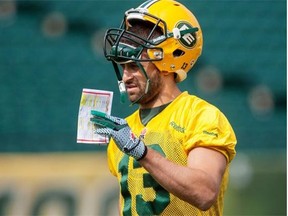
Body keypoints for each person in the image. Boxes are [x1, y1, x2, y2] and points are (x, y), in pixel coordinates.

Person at [91, 0, 237, 215]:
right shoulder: (125, 128)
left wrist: (140, 151)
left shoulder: (201, 116)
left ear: (168, 61)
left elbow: (204, 192)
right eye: (123, 66)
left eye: (134, 66)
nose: (126, 77)